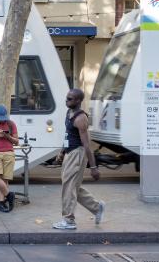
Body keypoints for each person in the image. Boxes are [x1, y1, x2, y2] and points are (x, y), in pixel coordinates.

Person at [52, 88, 106, 230]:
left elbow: (87, 144)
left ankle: (69, 220)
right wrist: (61, 152)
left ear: (78, 101)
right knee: (72, 186)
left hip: (77, 153)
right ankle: (96, 207)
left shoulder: (81, 118)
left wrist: (93, 167)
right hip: (70, 153)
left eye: (70, 99)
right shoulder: (69, 113)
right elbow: (67, 135)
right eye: (66, 98)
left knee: (69, 187)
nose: (67, 100)